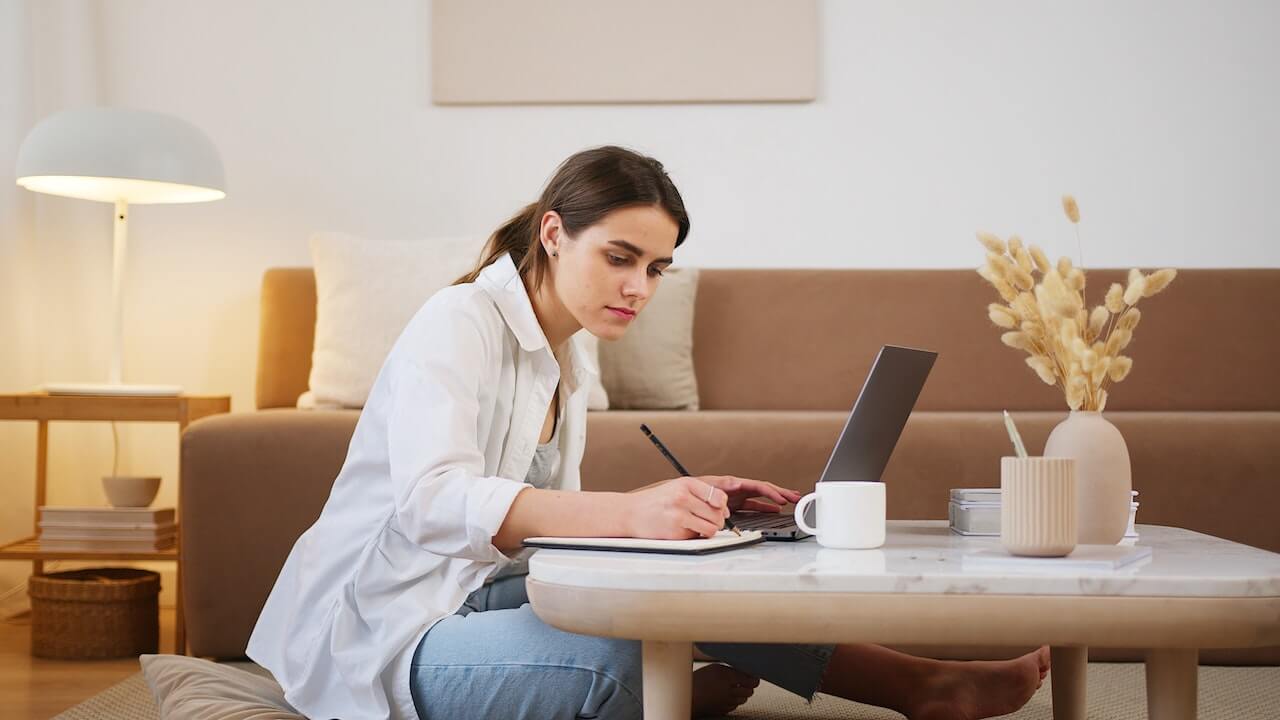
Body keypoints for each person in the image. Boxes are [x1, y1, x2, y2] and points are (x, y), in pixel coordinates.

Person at [248, 145, 1050, 720]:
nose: (639, 288)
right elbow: (432, 502)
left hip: (465, 591)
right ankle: (670, 699)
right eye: (621, 258)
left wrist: (671, 510)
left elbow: (539, 525)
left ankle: (920, 686)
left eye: (657, 269)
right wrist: (633, 515)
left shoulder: (569, 355)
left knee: (694, 581)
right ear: (555, 234)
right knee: (623, 658)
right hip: (379, 632)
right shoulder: (458, 322)